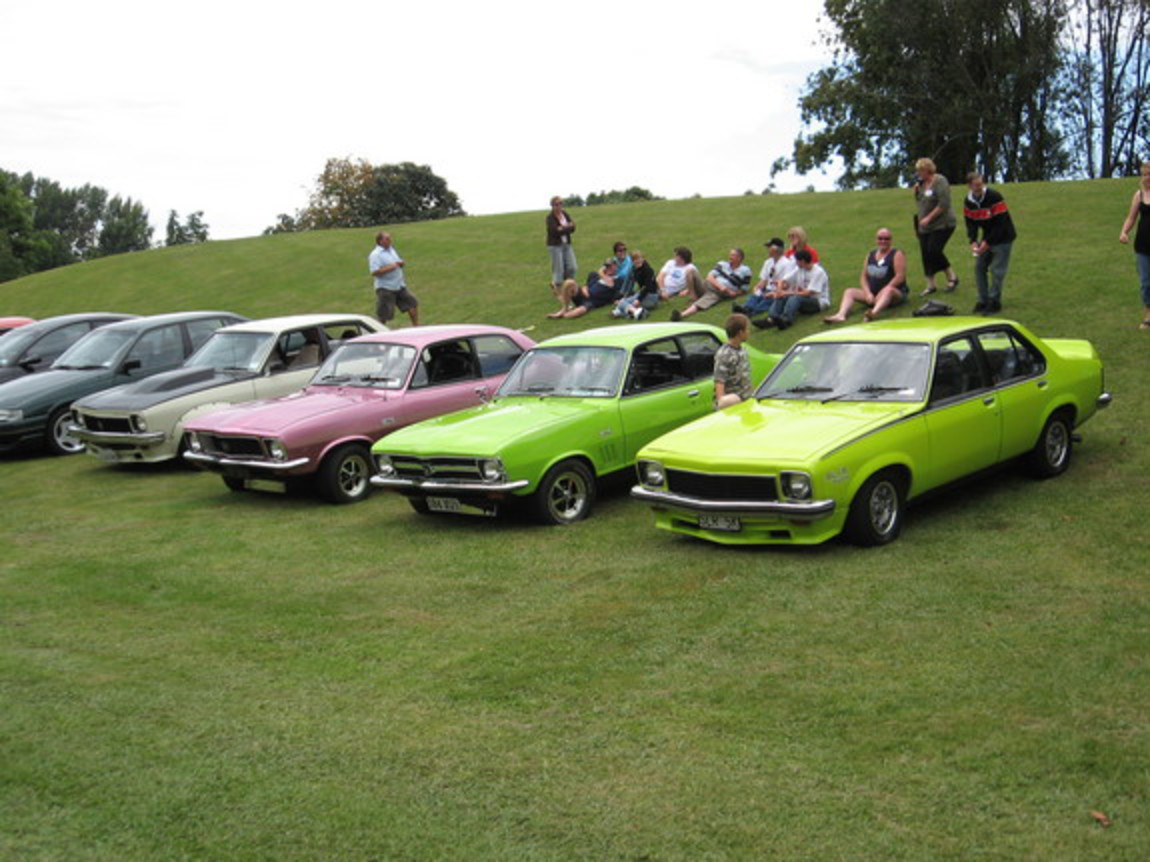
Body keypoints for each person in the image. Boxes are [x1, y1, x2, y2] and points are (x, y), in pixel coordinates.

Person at [823, 229, 907, 324]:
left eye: (886, 239)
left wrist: (883, 290)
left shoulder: (896, 254)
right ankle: (841, 315)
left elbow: (900, 277)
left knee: (888, 290)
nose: (883, 241)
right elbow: (863, 277)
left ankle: (873, 313)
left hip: (893, 293)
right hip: (873, 294)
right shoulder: (871, 255)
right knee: (849, 291)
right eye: (880, 238)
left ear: (891, 240)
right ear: (876, 240)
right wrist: (868, 293)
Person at [964, 172, 1018, 314]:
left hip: (1003, 237)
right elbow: (970, 222)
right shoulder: (969, 201)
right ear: (969, 186)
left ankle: (994, 301)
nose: (979, 188)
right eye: (976, 186)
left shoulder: (994, 197)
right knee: (979, 267)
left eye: (981, 184)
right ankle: (982, 300)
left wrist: (987, 242)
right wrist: (973, 240)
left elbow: (1001, 224)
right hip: (988, 237)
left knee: (997, 270)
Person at [753, 249, 831, 330]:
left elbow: (809, 293)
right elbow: (783, 280)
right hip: (803, 299)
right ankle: (771, 319)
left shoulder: (818, 272)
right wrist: (779, 291)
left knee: (795, 297)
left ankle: (786, 320)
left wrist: (786, 293)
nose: (796, 263)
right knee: (784, 296)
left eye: (797, 261)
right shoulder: (799, 269)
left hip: (818, 302)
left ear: (802, 261)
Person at [913, 157, 959, 296]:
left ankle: (952, 276)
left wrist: (929, 218)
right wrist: (916, 192)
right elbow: (921, 202)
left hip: (942, 223)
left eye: (920, 170)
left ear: (927, 170)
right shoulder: (921, 184)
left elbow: (944, 204)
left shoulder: (940, 181)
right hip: (924, 226)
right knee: (925, 253)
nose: (918, 174)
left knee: (934, 250)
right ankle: (930, 284)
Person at [672, 248, 753, 320]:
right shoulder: (722, 264)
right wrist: (721, 286)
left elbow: (744, 289)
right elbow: (710, 277)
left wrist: (732, 293)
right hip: (707, 285)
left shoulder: (745, 271)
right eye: (730, 255)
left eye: (733, 255)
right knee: (690, 271)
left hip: (717, 293)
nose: (730, 257)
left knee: (701, 303)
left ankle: (681, 315)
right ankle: (693, 297)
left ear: (739, 258)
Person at [1118, 160, 1150, 330]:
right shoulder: (1139, 195)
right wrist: (1124, 232)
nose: (1146, 178)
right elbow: (1131, 217)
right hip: (1142, 246)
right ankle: (1149, 315)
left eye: (1149, 174)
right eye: (1143, 175)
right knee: (1146, 283)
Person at [737, 237, 797, 319]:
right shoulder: (768, 262)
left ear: (775, 250)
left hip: (777, 290)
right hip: (767, 289)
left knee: (766, 301)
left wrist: (774, 292)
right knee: (755, 296)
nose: (767, 250)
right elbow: (764, 279)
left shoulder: (787, 264)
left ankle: (752, 311)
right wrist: (758, 287)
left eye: (769, 248)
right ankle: (746, 308)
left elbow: (786, 284)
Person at [368, 231, 419, 326]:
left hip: (399, 285)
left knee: (412, 303)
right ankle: (378, 331)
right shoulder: (375, 255)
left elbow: (397, 262)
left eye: (390, 238)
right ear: (380, 241)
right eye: (387, 239)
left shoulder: (391, 250)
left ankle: (416, 326)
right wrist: (392, 267)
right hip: (386, 288)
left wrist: (401, 263)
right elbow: (374, 272)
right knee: (384, 314)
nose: (390, 240)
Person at [551, 259, 620, 319]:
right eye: (608, 267)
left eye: (612, 266)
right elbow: (586, 285)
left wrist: (601, 271)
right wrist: (585, 289)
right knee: (570, 282)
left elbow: (611, 285)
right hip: (582, 294)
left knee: (578, 312)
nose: (610, 269)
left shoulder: (616, 281)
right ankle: (565, 308)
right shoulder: (595, 275)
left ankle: (563, 311)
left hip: (591, 302)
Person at [713, 313, 753, 409]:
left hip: (746, 402)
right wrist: (722, 405)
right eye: (747, 329)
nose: (748, 332)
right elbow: (719, 382)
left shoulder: (742, 349)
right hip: (734, 406)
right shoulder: (724, 355)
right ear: (740, 332)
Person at [612, 250, 660, 319]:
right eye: (635, 260)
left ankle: (623, 312)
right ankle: (635, 312)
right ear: (632, 261)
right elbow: (629, 281)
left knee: (622, 303)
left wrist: (638, 300)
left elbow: (647, 287)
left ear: (642, 258)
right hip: (642, 294)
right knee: (623, 302)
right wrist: (625, 295)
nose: (638, 261)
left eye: (639, 258)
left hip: (651, 296)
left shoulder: (648, 270)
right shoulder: (634, 269)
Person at [546, 195, 577, 296]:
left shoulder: (565, 214)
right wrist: (567, 226)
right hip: (555, 246)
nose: (559, 206)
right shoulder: (550, 218)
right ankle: (559, 290)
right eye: (556, 204)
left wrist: (563, 227)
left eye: (560, 203)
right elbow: (555, 231)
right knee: (559, 269)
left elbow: (573, 227)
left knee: (572, 267)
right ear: (552, 206)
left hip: (566, 244)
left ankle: (568, 285)